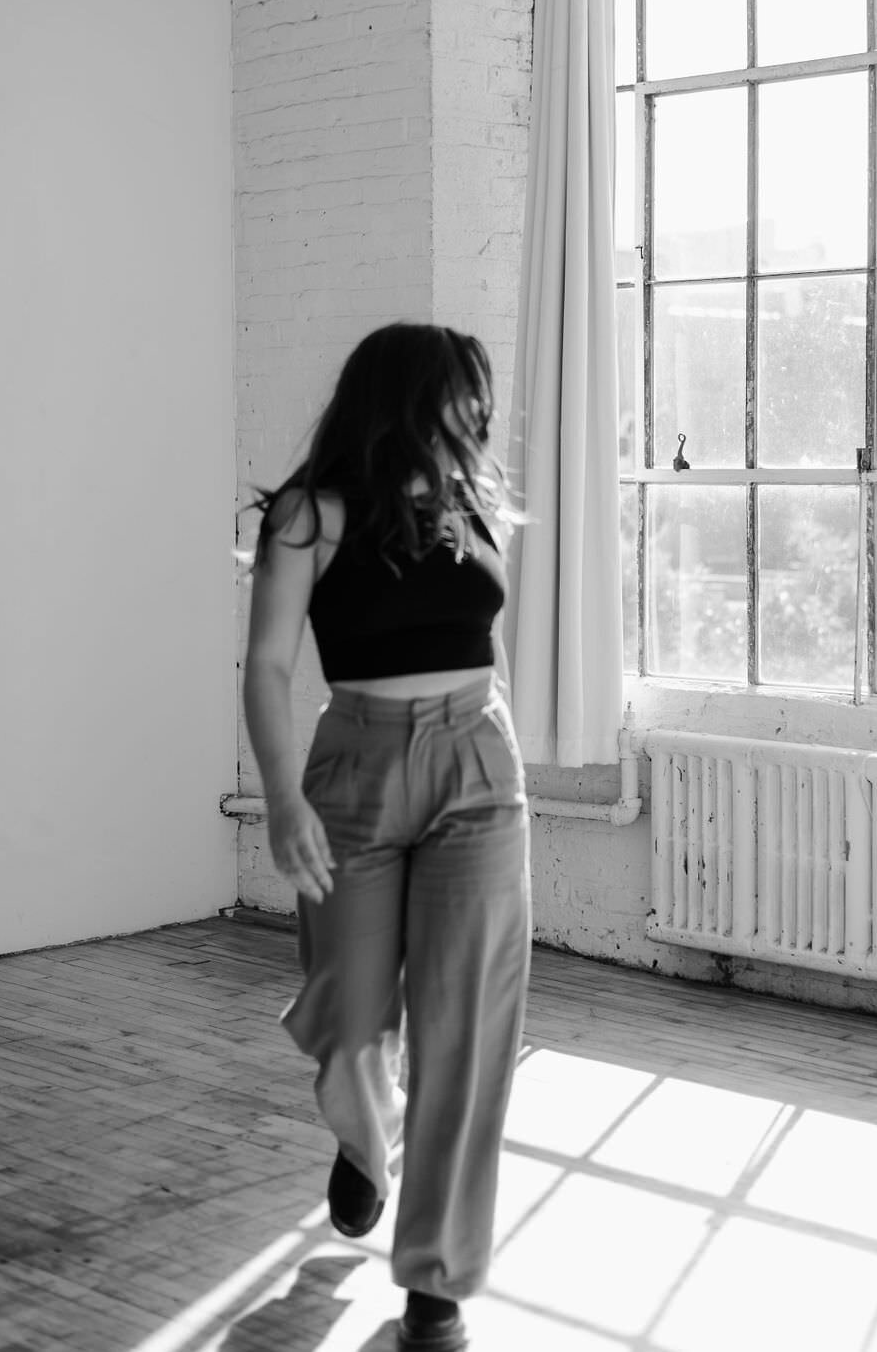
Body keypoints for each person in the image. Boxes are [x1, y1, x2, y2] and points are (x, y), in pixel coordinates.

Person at [242, 322, 531, 1352]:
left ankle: (434, 1290)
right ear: (409, 396)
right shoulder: (309, 514)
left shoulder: (470, 502)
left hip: (475, 771)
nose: (479, 414)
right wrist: (282, 801)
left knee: (466, 1032)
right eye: (464, 394)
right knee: (347, 1011)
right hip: (352, 769)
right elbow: (268, 667)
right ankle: (369, 1141)